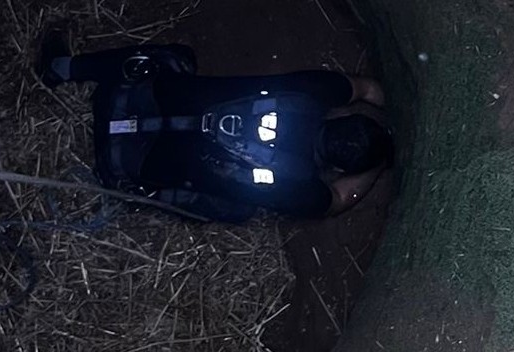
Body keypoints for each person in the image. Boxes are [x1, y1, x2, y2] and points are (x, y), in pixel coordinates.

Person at [37, 36, 392, 223]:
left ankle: (61, 67)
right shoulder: (299, 186)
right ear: (339, 168)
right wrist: (378, 162)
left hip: (119, 98)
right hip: (121, 166)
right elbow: (341, 199)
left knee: (177, 60)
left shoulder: (310, 92)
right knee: (239, 208)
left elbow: (368, 89)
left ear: (339, 115)